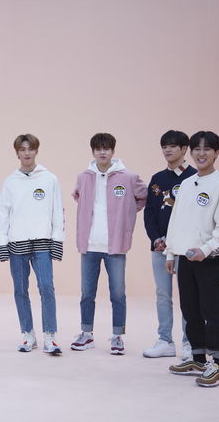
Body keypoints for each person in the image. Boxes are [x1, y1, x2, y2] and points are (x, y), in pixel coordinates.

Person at [166, 131, 219, 387]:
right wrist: (170, 252)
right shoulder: (187, 183)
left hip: (209, 259)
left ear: (216, 153)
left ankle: (217, 365)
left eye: (207, 149)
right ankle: (197, 358)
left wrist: (205, 250)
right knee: (190, 309)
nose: (201, 153)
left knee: (211, 310)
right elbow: (176, 221)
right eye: (196, 148)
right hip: (185, 257)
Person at [71, 133, 147, 355]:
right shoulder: (84, 177)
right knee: (87, 293)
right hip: (89, 245)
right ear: (93, 152)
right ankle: (86, 334)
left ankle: (117, 336)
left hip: (115, 246)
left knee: (117, 294)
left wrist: (127, 214)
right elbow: (78, 197)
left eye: (106, 148)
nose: (102, 152)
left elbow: (143, 196)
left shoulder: (129, 177)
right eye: (98, 148)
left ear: (113, 151)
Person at [0, 134, 65, 355]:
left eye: (30, 149)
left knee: (46, 287)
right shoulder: (10, 182)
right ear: (17, 153)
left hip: (43, 242)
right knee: (20, 290)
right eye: (22, 149)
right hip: (17, 244)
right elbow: (3, 215)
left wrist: (57, 241)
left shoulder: (50, 179)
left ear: (36, 151)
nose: (27, 153)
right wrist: (2, 243)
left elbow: (57, 212)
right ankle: (28, 335)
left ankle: (50, 336)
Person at [143, 130, 197, 359]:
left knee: (188, 296)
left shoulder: (195, 177)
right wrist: (156, 239)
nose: (168, 150)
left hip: (186, 249)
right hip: (160, 248)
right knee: (163, 295)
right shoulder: (157, 178)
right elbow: (149, 213)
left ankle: (190, 342)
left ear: (184, 149)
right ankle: (165, 340)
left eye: (173, 146)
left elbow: (196, 216)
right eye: (164, 146)